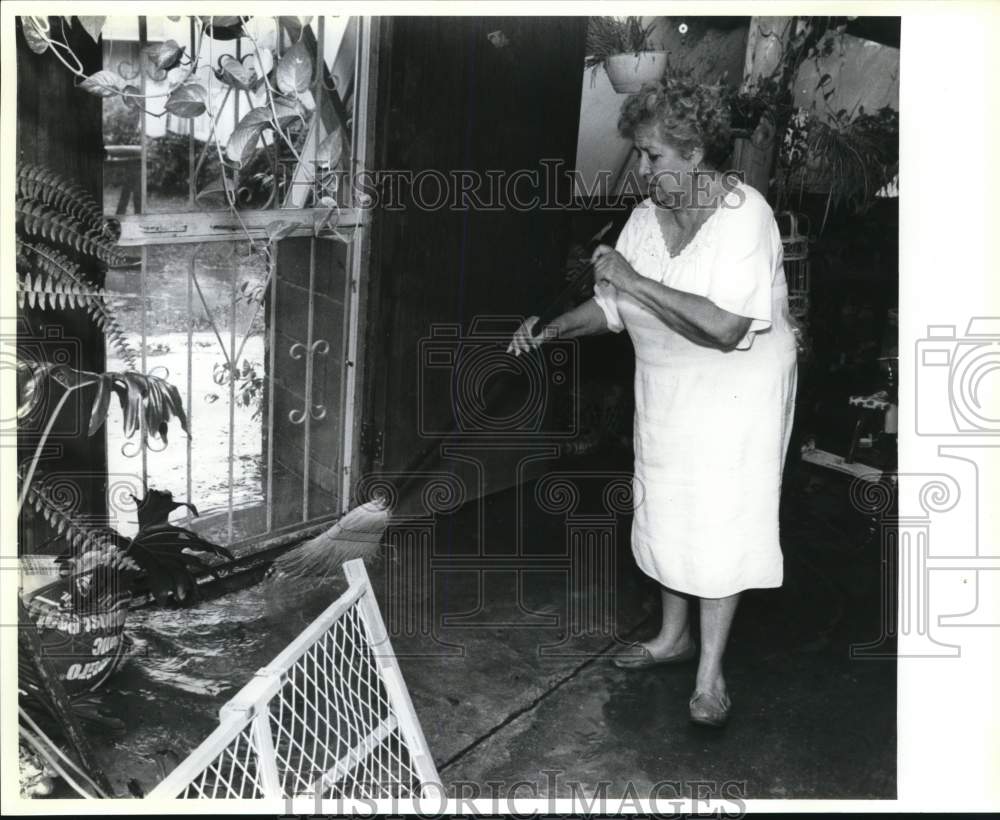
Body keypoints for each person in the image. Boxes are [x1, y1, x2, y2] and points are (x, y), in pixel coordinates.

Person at [507, 78, 798, 727]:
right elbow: (613, 307)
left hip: (737, 391)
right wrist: (549, 331)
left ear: (695, 152)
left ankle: (710, 673)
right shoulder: (643, 219)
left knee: (720, 515)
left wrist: (633, 279)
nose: (641, 169)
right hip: (668, 382)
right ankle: (673, 636)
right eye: (639, 154)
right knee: (666, 501)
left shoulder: (743, 216)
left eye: (653, 156)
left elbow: (725, 329)